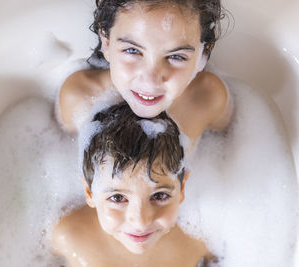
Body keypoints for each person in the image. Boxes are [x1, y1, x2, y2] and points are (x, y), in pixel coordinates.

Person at [52, 102, 217, 267]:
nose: (140, 222)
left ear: (181, 188)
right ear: (89, 193)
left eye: (160, 195)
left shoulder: (200, 243)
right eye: (117, 198)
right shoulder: (68, 237)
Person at [57, 0, 233, 144]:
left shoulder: (208, 98)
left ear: (203, 53)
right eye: (133, 51)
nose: (150, 81)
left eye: (176, 56)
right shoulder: (78, 98)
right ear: (107, 43)